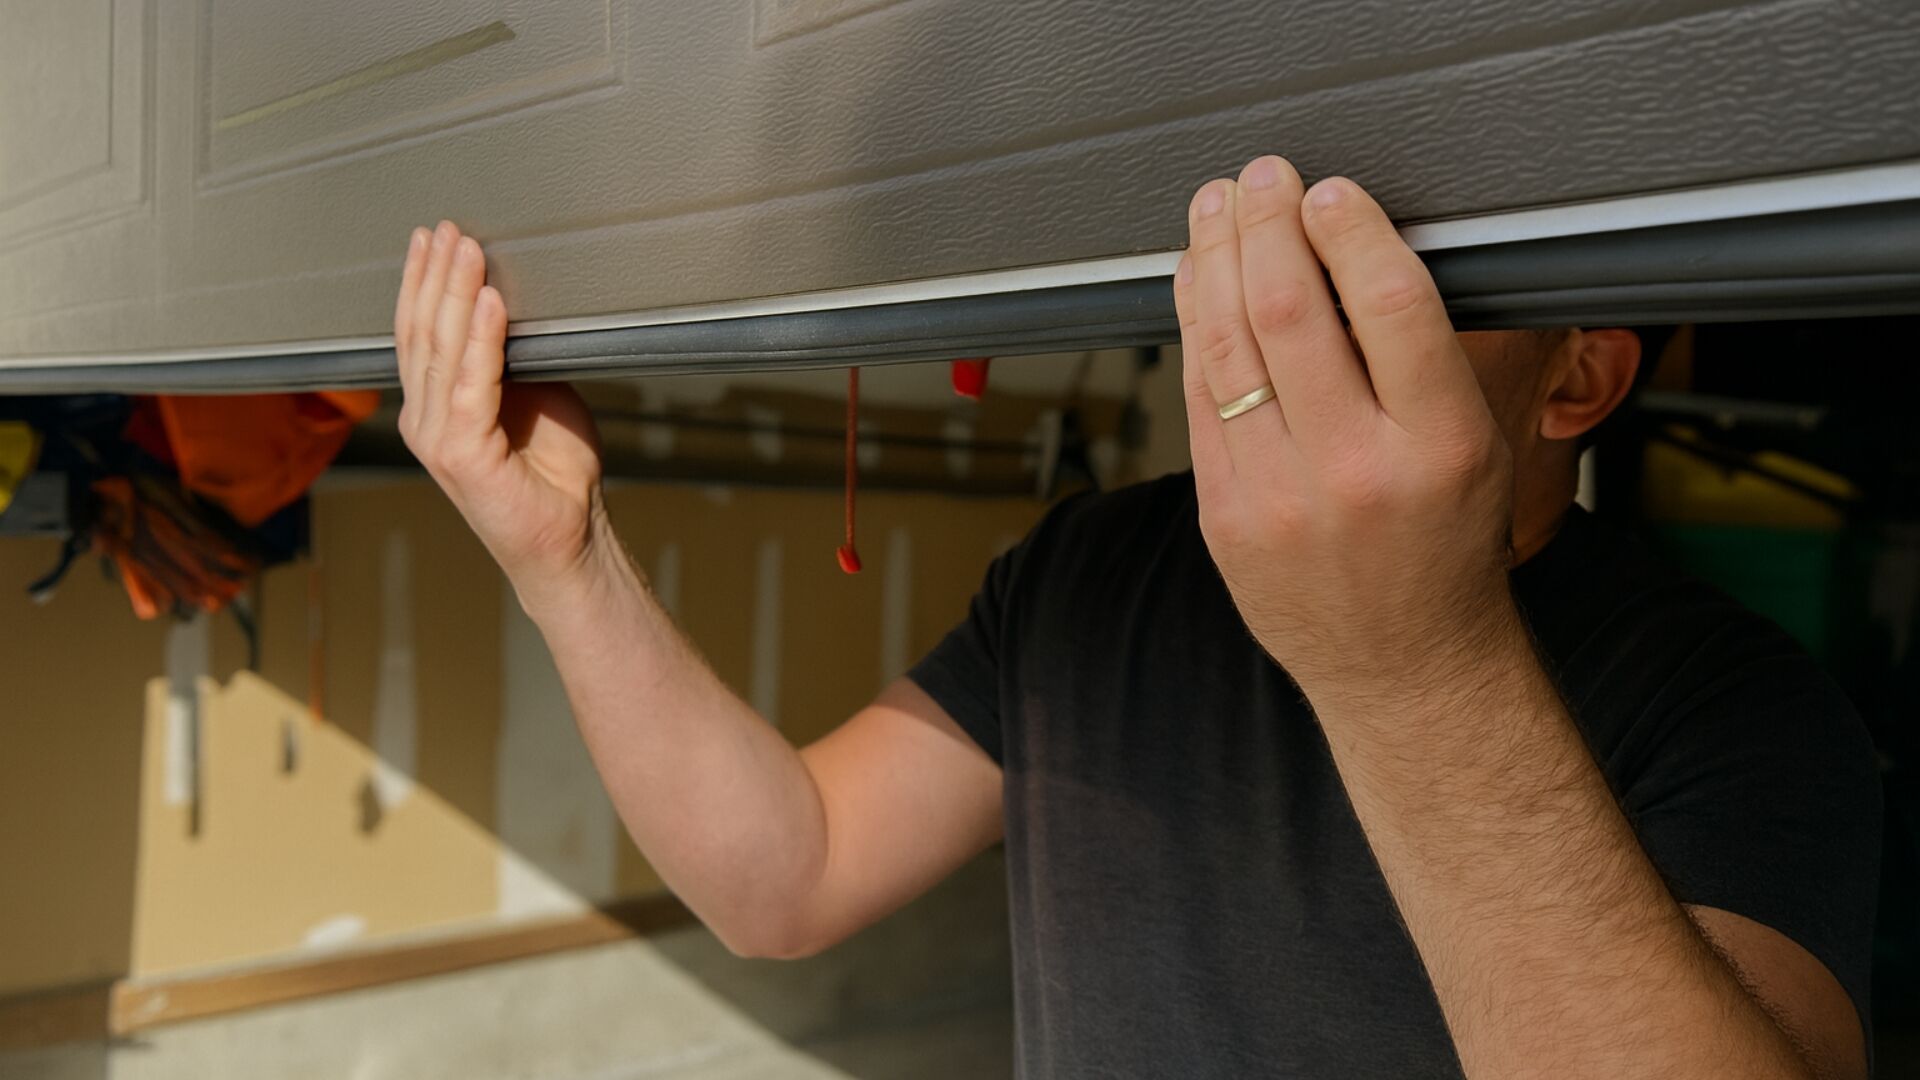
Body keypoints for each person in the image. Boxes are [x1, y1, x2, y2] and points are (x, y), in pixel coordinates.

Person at [392, 156, 1879, 1078]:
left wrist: (1414, 664)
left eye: (1405, 268)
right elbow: (787, 876)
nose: (1297, 303)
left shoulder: (1738, 699)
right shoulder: (1097, 567)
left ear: (1578, 381)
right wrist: (565, 559)